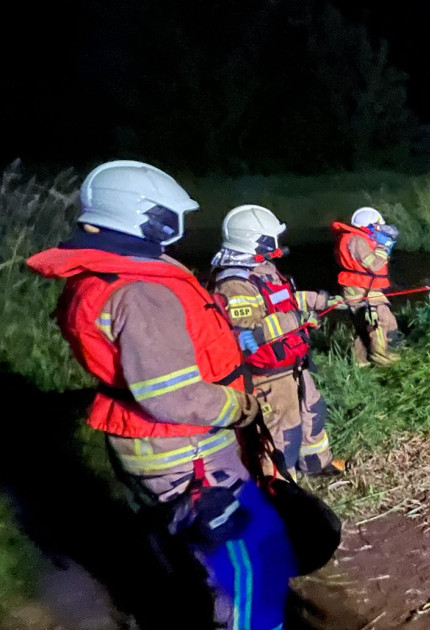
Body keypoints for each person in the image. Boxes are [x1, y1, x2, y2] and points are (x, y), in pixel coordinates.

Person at [25, 160, 296, 629]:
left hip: (159, 443)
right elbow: (172, 397)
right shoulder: (140, 291)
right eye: (173, 214)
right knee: (250, 556)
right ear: (149, 217)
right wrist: (241, 406)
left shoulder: (109, 271)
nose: (180, 224)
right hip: (185, 449)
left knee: (201, 549)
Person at [210, 204, 350, 478]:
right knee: (282, 433)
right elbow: (248, 337)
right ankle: (281, 487)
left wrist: (322, 300)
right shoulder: (233, 285)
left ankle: (316, 463)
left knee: (313, 412)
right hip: (268, 376)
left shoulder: (264, 270)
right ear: (255, 241)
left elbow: (285, 299)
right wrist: (299, 319)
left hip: (292, 363)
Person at [331, 206, 400, 367]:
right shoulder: (357, 240)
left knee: (370, 323)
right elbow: (374, 264)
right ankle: (380, 357)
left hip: (367, 288)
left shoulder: (360, 238)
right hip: (360, 289)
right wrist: (383, 248)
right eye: (376, 226)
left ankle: (361, 361)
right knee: (378, 320)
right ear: (366, 226)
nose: (379, 230)